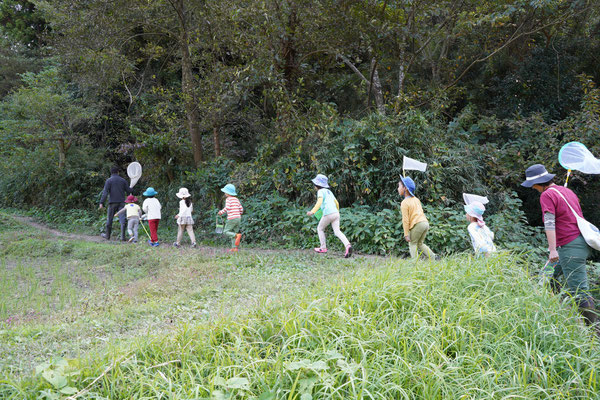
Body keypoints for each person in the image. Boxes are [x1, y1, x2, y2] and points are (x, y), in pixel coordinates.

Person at [521, 164, 597, 328]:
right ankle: (558, 315)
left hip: (570, 247)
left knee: (580, 290)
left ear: (539, 183)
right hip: (573, 244)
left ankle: (594, 333)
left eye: (534, 186)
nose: (534, 189)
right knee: (545, 278)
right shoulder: (566, 191)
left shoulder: (547, 195)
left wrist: (552, 249)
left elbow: (549, 223)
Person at [306, 174, 353, 258]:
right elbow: (337, 203)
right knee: (337, 231)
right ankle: (347, 245)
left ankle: (323, 247)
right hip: (336, 213)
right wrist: (336, 212)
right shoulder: (329, 192)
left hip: (328, 213)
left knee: (320, 228)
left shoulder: (320, 191)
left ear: (317, 185)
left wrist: (312, 212)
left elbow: (319, 202)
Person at [398, 176, 435, 260]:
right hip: (425, 223)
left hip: (418, 224)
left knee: (412, 243)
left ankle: (415, 263)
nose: (398, 188)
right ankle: (434, 257)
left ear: (405, 189)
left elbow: (405, 219)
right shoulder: (416, 199)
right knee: (420, 243)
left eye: (399, 186)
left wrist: (406, 234)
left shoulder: (404, 203)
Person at [99, 166, 133, 241]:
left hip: (112, 203)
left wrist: (101, 202)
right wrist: (132, 188)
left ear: (111, 173)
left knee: (110, 219)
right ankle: (123, 237)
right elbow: (129, 191)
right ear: (118, 172)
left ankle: (107, 236)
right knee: (122, 219)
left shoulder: (109, 180)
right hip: (121, 202)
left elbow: (105, 192)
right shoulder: (123, 180)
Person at [218, 184, 243, 252]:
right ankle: (234, 248)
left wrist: (221, 212)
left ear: (228, 193)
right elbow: (241, 209)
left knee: (226, 231)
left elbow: (227, 207)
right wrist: (238, 214)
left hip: (232, 218)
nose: (224, 193)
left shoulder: (228, 199)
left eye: (225, 192)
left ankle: (237, 235)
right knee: (233, 232)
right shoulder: (236, 199)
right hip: (238, 218)